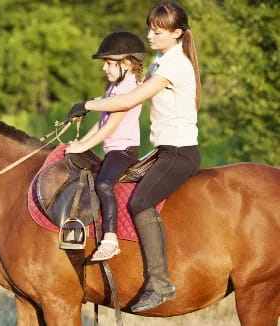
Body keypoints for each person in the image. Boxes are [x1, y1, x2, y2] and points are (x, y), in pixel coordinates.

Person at [68, 2, 202, 313]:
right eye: (150, 29)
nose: (150, 36)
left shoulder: (175, 65)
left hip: (179, 153)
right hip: (161, 151)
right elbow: (122, 96)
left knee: (140, 202)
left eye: (158, 31)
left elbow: (129, 99)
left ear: (177, 34)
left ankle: (159, 282)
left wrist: (87, 105)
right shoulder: (159, 61)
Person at [65, 31, 146, 262]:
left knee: (104, 184)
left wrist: (84, 147)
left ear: (127, 63)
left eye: (109, 63)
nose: (104, 68)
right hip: (113, 150)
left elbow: (110, 128)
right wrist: (80, 143)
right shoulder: (115, 87)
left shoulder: (128, 89)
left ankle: (110, 240)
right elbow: (101, 123)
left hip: (124, 151)